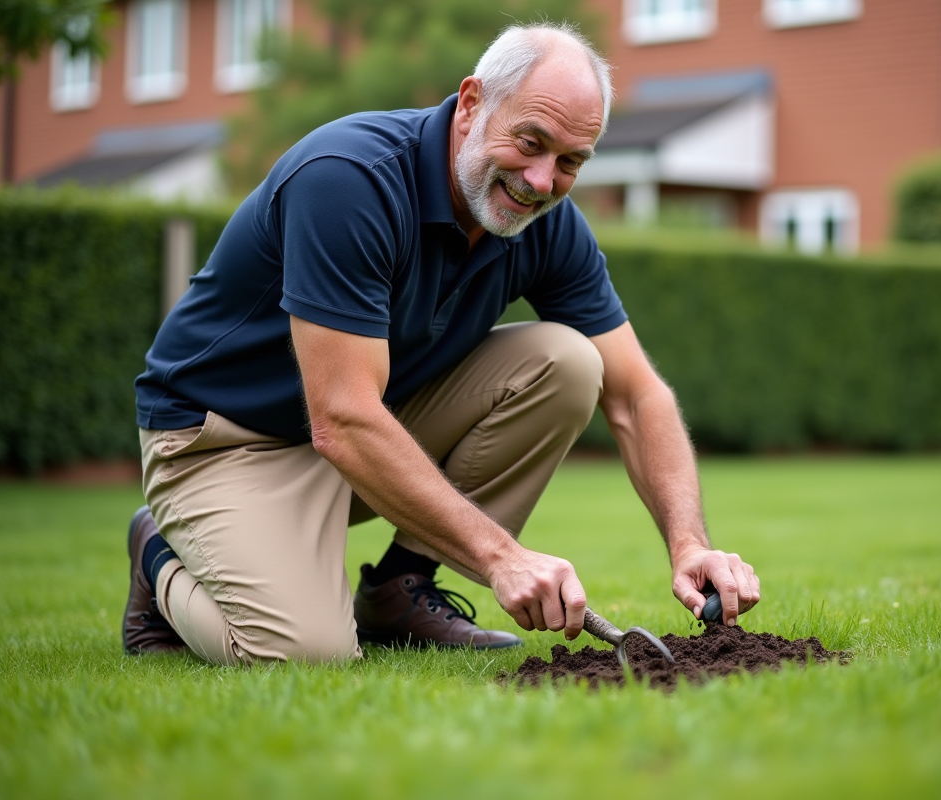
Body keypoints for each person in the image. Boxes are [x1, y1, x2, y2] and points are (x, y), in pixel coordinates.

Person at [123, 22, 760, 664]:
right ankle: (158, 556)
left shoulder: (547, 225)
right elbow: (342, 419)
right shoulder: (349, 180)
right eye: (531, 142)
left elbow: (637, 395)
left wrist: (689, 544)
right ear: (472, 103)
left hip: (357, 437)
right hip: (220, 443)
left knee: (569, 364)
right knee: (303, 654)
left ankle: (401, 590)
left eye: (570, 161)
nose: (542, 182)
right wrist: (501, 558)